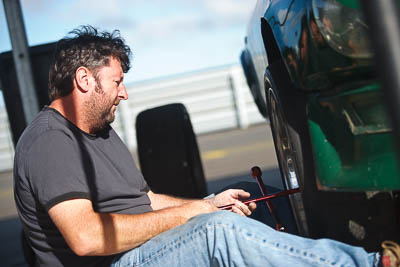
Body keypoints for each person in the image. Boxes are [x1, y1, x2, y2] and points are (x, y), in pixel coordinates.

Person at [14, 25, 383, 267]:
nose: (123, 93)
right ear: (83, 79)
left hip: (141, 250)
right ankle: (369, 264)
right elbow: (87, 238)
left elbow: (146, 200)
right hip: (116, 261)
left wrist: (207, 203)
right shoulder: (50, 141)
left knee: (246, 207)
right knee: (216, 231)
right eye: (116, 81)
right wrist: (195, 216)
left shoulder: (100, 131)